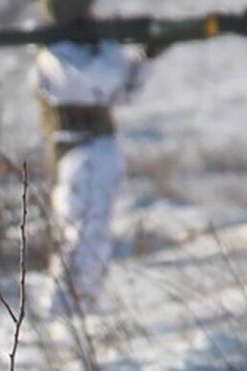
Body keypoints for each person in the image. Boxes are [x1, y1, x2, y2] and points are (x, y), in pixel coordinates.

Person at [33, 0, 160, 314]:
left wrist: (150, 56)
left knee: (96, 234)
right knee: (76, 233)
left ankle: (84, 305)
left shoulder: (93, 48)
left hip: (100, 148)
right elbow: (99, 83)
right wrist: (107, 46)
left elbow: (125, 89)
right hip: (77, 152)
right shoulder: (56, 55)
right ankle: (59, 310)